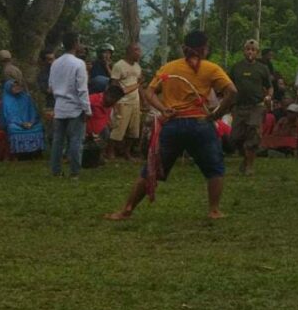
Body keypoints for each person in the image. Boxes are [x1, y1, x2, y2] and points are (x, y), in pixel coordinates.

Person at [105, 30, 237, 221]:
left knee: (150, 170)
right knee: (214, 169)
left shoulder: (169, 67)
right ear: (203, 49)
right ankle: (214, 210)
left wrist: (163, 109)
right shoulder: (211, 68)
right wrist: (217, 114)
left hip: (173, 124)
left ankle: (126, 210)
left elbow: (150, 93)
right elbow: (232, 91)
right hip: (200, 124)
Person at [48, 32, 92, 178]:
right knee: (75, 140)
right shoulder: (79, 64)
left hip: (59, 106)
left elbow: (51, 86)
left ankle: (56, 170)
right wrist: (87, 109)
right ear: (75, 43)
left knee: (58, 141)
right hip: (75, 107)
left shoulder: (55, 63)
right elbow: (82, 89)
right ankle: (74, 172)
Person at [229, 39, 273, 175]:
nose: (250, 52)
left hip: (256, 106)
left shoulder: (262, 68)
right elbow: (229, 85)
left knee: (253, 134)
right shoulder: (236, 67)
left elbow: (270, 87)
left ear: (257, 52)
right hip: (239, 106)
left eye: (253, 50)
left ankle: (250, 166)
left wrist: (268, 97)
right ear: (244, 51)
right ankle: (245, 159)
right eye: (248, 49)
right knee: (236, 137)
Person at [109, 43, 144, 161]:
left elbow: (139, 85)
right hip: (123, 101)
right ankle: (110, 151)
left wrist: (144, 101)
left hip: (135, 101)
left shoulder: (137, 67)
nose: (139, 52)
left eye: (139, 50)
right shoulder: (119, 65)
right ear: (129, 52)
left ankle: (127, 152)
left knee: (134, 130)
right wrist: (115, 100)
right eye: (136, 50)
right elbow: (114, 83)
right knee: (118, 128)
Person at [0, 79, 46, 157]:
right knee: (12, 127)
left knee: (39, 126)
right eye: (14, 86)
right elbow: (8, 116)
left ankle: (36, 152)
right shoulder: (6, 100)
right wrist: (21, 123)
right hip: (16, 124)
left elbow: (32, 111)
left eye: (17, 85)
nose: (16, 87)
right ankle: (20, 153)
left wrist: (31, 122)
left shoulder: (26, 98)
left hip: (30, 123)